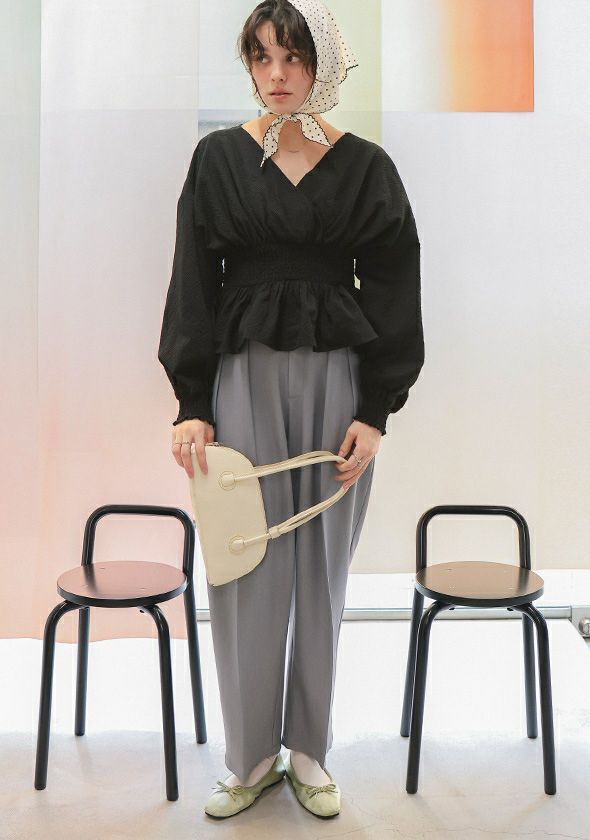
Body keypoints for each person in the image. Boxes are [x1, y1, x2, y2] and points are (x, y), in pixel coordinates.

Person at [157, 0, 424, 820]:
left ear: (323, 64)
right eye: (262, 57)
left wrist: (376, 410)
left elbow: (394, 286)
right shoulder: (217, 159)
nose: (277, 75)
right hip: (240, 382)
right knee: (243, 563)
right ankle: (249, 758)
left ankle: (309, 752)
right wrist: (191, 401)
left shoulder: (366, 167)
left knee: (321, 568)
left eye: (294, 58)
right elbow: (193, 281)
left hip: (338, 384)